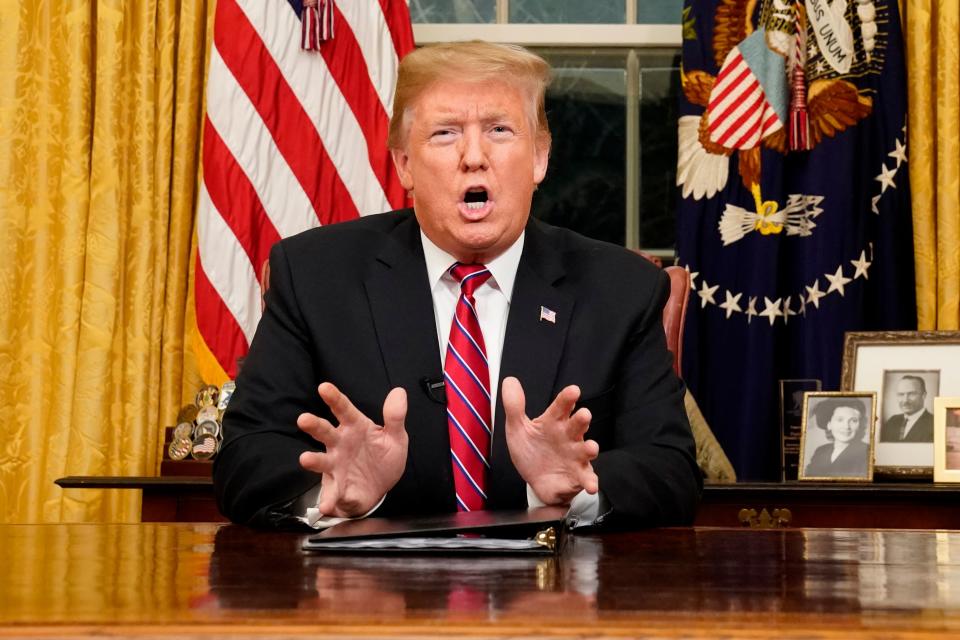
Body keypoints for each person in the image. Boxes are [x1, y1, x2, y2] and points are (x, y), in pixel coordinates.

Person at [212, 41, 701, 530]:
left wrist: (578, 487)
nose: (474, 157)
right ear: (404, 163)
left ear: (539, 158)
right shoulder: (315, 276)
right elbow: (243, 457)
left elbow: (671, 470)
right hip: (370, 594)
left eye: (499, 130)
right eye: (445, 134)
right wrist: (329, 496)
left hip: (556, 593)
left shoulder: (621, 290)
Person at [804, 397, 871, 478]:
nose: (846, 426)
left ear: (860, 425)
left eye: (853, 421)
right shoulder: (821, 451)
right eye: (840, 420)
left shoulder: (867, 452)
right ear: (829, 424)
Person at [879, 375, 934, 443]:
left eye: (911, 394)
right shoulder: (892, 421)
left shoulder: (934, 423)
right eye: (901, 394)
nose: (905, 400)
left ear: (924, 395)